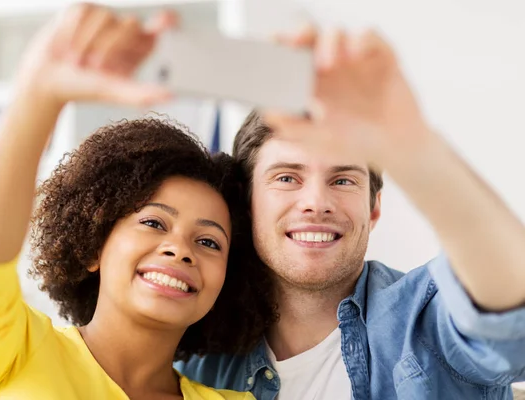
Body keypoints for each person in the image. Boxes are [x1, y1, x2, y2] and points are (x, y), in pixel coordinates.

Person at [0, 4, 267, 399]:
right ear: (95, 246)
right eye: (154, 223)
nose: (179, 249)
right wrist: (39, 94)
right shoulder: (14, 352)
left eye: (209, 242)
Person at [176, 26, 525, 399]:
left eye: (343, 181)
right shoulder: (198, 359)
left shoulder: (427, 320)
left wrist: (411, 144)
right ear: (247, 204)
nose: (316, 201)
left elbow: (508, 313)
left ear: (373, 208)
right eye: (288, 178)